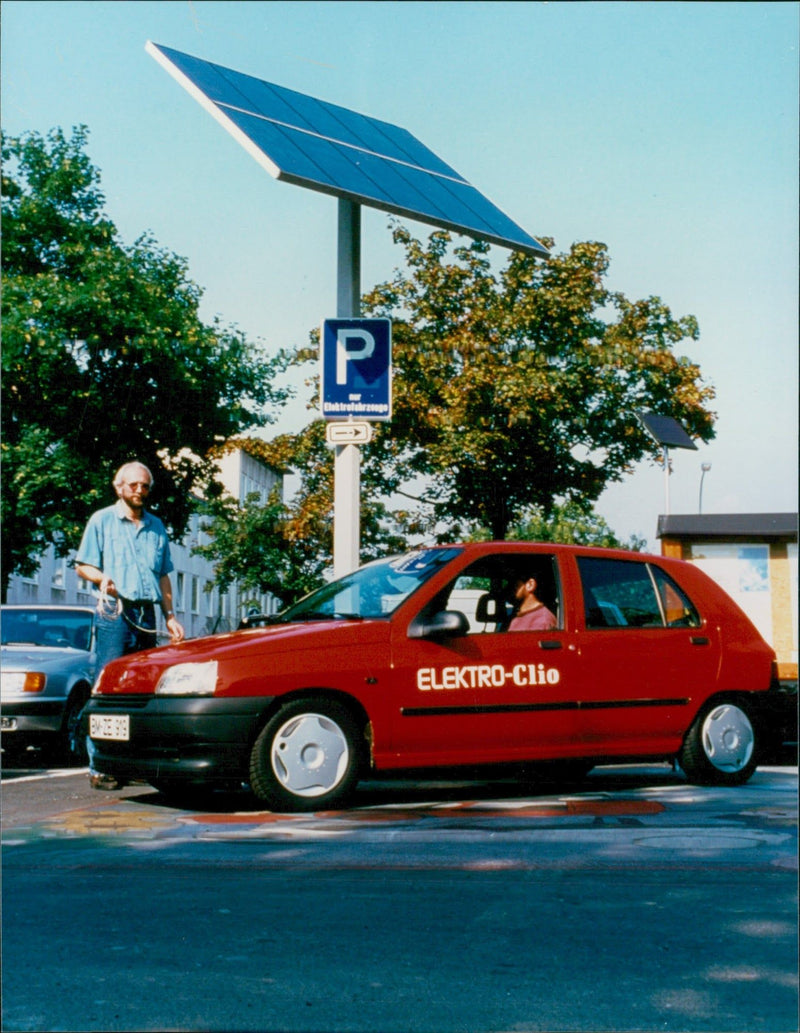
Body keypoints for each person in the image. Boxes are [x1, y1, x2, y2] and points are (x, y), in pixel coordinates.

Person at [76, 461, 185, 671]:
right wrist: (101, 578)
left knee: (144, 677)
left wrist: (170, 618)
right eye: (133, 485)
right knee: (110, 675)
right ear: (119, 488)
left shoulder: (157, 526)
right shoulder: (101, 520)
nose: (139, 490)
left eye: (145, 486)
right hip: (114, 612)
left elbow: (163, 576)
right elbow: (82, 566)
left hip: (147, 614)